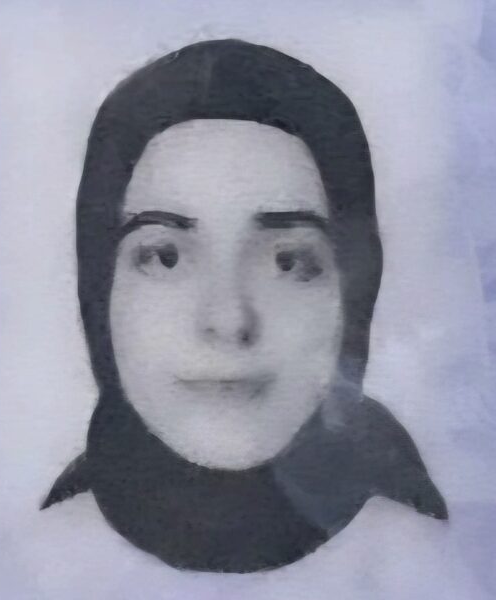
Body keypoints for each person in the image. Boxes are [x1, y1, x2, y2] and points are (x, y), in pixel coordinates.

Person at [41, 38, 447, 573]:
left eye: (288, 261)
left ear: (355, 290)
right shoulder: (20, 564)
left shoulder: (440, 564)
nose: (230, 320)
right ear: (100, 288)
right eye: (166, 257)